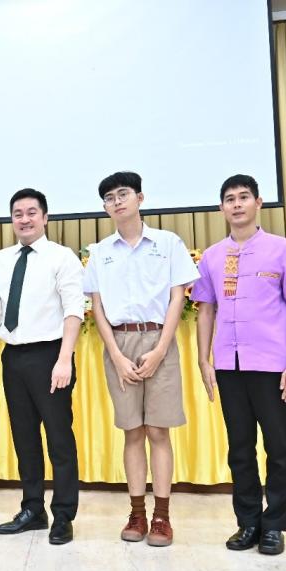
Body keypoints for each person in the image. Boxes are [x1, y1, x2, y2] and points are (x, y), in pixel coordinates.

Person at [192, 174, 286, 556]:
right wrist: (203, 359)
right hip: (229, 366)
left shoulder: (283, 249)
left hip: (272, 366)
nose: (237, 204)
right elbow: (205, 310)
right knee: (240, 448)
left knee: (278, 447)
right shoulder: (212, 256)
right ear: (221, 208)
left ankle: (274, 525)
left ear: (258, 203)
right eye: (230, 199)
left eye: (244, 197)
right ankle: (248, 522)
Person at [82, 172, 199, 547]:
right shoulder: (101, 251)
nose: (117, 201)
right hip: (119, 344)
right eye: (109, 198)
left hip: (159, 340)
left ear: (140, 198)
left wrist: (161, 349)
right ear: (105, 207)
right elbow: (97, 307)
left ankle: (162, 516)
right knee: (132, 432)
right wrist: (116, 355)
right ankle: (137, 513)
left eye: (123, 194)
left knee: (158, 431)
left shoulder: (167, 243)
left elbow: (178, 297)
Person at [0, 188, 85, 545]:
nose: (24, 220)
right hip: (14, 358)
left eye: (31, 213)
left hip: (51, 356)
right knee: (24, 438)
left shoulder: (62, 257)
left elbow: (74, 310)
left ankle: (64, 515)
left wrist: (64, 359)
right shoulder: (0, 260)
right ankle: (33, 509)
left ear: (45, 217)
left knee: (59, 438)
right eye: (18, 214)